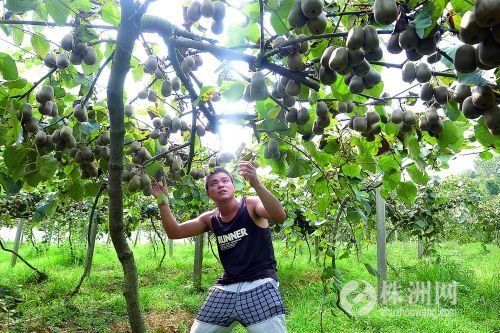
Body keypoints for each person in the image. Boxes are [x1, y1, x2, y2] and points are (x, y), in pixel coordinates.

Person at [151, 161, 288, 333]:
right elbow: (175, 232)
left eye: (225, 180)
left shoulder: (251, 204)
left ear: (234, 186)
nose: (221, 185)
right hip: (226, 287)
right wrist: (163, 201)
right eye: (214, 183)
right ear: (208, 194)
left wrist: (257, 184)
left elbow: (280, 216)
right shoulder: (210, 218)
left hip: (260, 283)